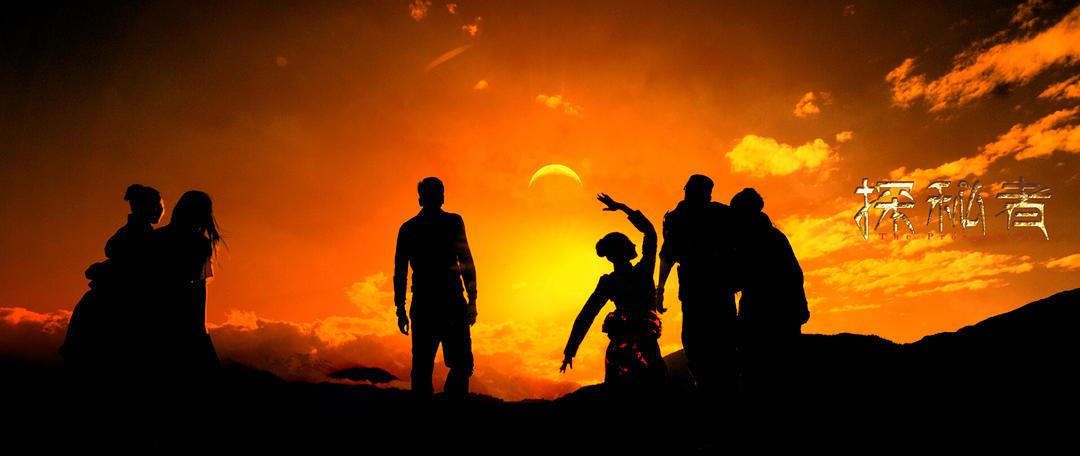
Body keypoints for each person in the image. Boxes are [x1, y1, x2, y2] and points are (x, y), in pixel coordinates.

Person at [561, 194, 665, 390]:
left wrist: (570, 350)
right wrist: (623, 208)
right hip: (644, 348)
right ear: (624, 250)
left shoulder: (609, 282)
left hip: (621, 351)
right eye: (628, 242)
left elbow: (586, 315)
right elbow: (650, 233)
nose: (633, 244)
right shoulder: (643, 271)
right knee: (653, 391)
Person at [61, 184, 164, 373]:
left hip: (106, 303)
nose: (160, 210)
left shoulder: (131, 233)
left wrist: (101, 269)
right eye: (157, 205)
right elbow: (130, 268)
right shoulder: (144, 237)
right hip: (119, 307)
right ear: (147, 207)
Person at [655, 175, 738, 400]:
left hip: (716, 288)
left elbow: (667, 256)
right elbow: (667, 256)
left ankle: (721, 391)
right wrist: (660, 289)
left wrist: (660, 290)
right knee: (698, 345)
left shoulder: (719, 213)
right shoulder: (678, 218)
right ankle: (710, 391)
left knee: (719, 344)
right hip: (699, 290)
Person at [394, 177, 477, 400]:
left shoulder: (410, 228)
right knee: (449, 366)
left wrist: (400, 309)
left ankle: (440, 408)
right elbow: (466, 262)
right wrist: (472, 301)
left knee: (432, 368)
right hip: (444, 304)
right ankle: (447, 408)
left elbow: (400, 273)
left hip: (434, 306)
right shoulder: (448, 223)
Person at [729, 188, 809, 403]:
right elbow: (796, 274)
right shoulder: (772, 236)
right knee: (780, 373)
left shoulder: (753, 238)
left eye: (736, 211)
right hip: (781, 313)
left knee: (761, 373)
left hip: (765, 313)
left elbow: (747, 274)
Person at [151, 190, 222, 379]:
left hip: (154, 315)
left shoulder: (157, 237)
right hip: (184, 317)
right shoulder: (200, 244)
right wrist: (200, 329)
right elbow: (199, 290)